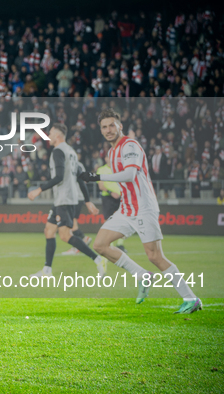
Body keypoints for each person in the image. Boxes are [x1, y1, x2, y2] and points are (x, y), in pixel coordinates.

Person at [79, 109, 202, 313]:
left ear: (120, 126)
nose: (108, 130)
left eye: (112, 125)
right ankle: (142, 275)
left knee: (155, 256)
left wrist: (97, 177)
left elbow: (129, 175)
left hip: (144, 208)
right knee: (100, 244)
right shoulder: (112, 152)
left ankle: (191, 298)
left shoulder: (130, 145)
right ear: (101, 131)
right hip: (127, 208)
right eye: (104, 127)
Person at [27, 123, 106, 278]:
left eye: (50, 133)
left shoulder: (58, 151)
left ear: (57, 135)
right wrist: (88, 201)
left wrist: (39, 189)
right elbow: (80, 177)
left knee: (64, 235)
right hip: (63, 199)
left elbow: (58, 177)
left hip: (64, 199)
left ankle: (98, 259)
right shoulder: (71, 152)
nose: (48, 136)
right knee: (49, 231)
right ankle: (47, 271)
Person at [61, 160, 93, 256]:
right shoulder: (80, 165)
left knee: (72, 224)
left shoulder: (69, 164)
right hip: (79, 196)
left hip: (73, 197)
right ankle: (80, 242)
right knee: (72, 223)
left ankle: (81, 241)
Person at [96, 155, 127, 253]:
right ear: (105, 158)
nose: (109, 158)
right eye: (108, 157)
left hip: (120, 197)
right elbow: (100, 185)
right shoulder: (101, 170)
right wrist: (111, 192)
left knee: (123, 220)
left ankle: (120, 244)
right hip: (108, 197)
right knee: (107, 221)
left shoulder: (119, 169)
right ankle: (110, 244)